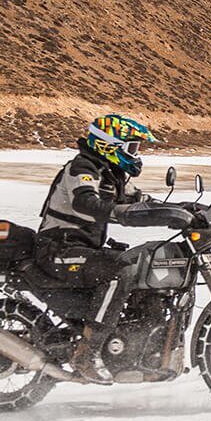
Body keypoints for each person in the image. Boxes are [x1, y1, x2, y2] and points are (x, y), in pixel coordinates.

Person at [35, 114, 158, 383]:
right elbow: (86, 203)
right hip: (58, 249)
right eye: (132, 147)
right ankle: (86, 353)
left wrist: (183, 210)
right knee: (119, 271)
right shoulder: (82, 168)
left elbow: (140, 200)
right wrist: (122, 214)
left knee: (139, 266)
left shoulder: (110, 174)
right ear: (109, 144)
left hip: (80, 249)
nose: (136, 155)